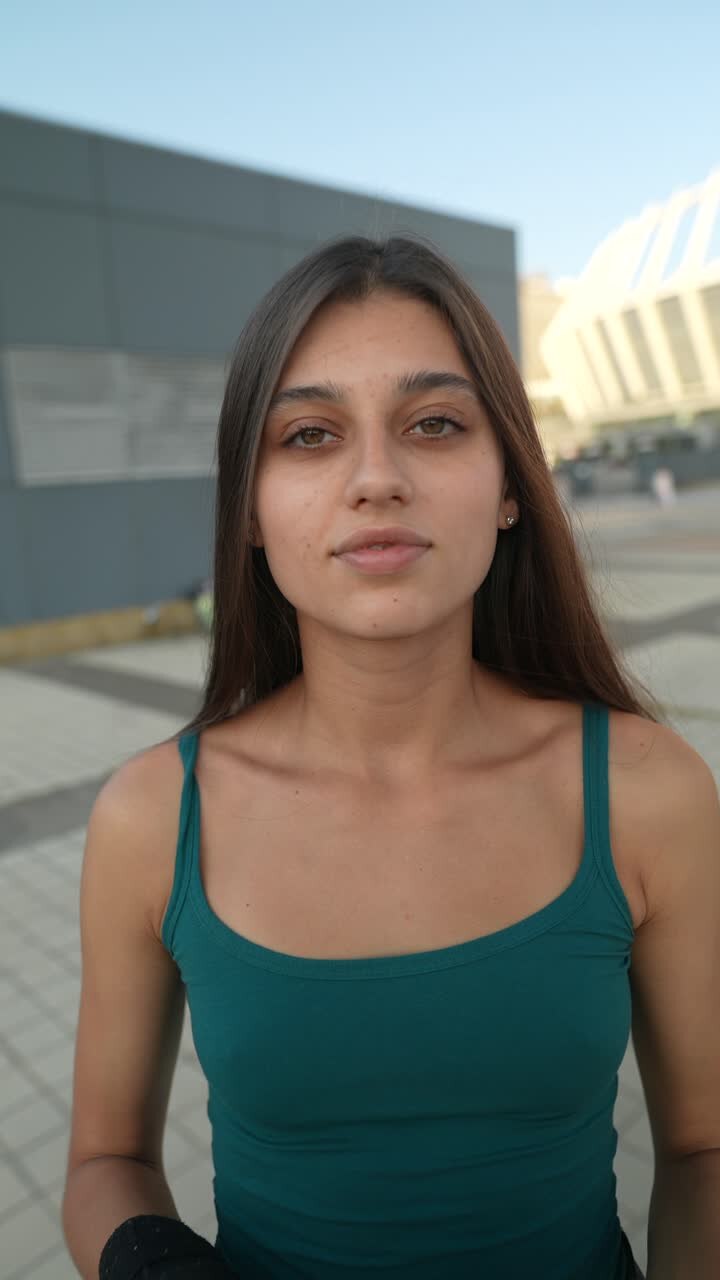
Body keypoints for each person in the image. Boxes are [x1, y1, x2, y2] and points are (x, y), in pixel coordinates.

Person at [61, 236, 720, 1280]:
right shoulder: (152, 815)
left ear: (509, 483)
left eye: (436, 423)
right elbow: (105, 1158)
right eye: (312, 434)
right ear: (250, 512)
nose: (376, 477)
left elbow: (699, 1146)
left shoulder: (650, 790)